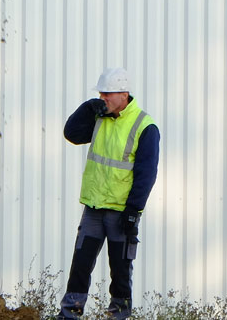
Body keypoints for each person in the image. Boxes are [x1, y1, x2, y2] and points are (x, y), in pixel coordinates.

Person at [57, 67, 160, 320]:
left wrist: (134, 212)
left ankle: (118, 315)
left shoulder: (144, 126)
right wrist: (86, 109)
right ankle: (69, 314)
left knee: (120, 270)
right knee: (80, 265)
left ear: (124, 94)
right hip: (93, 207)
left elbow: (146, 174)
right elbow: (71, 134)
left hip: (121, 211)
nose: (103, 99)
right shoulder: (99, 118)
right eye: (101, 94)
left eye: (108, 94)